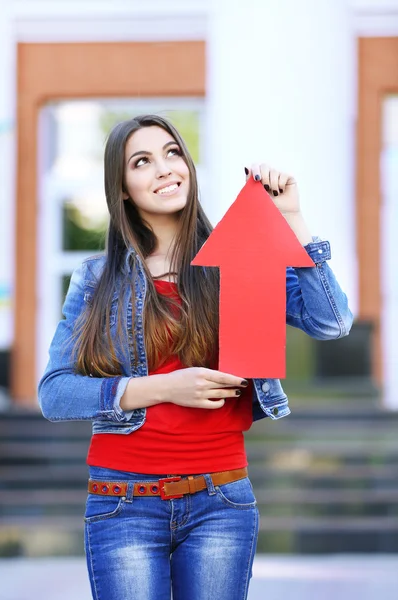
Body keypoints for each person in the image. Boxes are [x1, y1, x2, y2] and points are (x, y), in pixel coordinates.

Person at [38, 114, 353, 600]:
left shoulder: (239, 259)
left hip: (221, 499)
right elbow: (55, 394)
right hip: (123, 503)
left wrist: (292, 219)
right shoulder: (97, 279)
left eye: (172, 153)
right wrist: (167, 387)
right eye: (142, 162)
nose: (164, 169)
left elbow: (332, 323)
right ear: (121, 188)